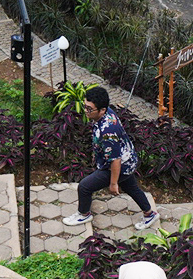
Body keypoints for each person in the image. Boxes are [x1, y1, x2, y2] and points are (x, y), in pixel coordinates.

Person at [63, 86, 160, 229]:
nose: (85, 111)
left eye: (89, 109)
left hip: (118, 166)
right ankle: (149, 213)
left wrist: (113, 183)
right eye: (85, 106)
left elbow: (116, 160)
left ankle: (83, 214)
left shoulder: (108, 132)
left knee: (84, 187)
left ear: (101, 110)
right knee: (131, 187)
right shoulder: (107, 112)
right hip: (129, 160)